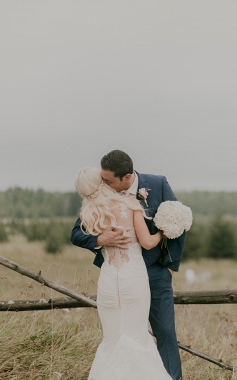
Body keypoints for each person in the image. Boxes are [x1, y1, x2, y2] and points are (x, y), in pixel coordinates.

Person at [71, 150, 185, 380]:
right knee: (121, 332)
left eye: (109, 180)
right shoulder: (102, 196)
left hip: (155, 271)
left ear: (126, 176)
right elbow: (76, 234)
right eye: (102, 179)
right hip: (117, 273)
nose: (104, 184)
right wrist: (99, 240)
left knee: (164, 331)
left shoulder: (158, 184)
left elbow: (177, 219)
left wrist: (172, 264)